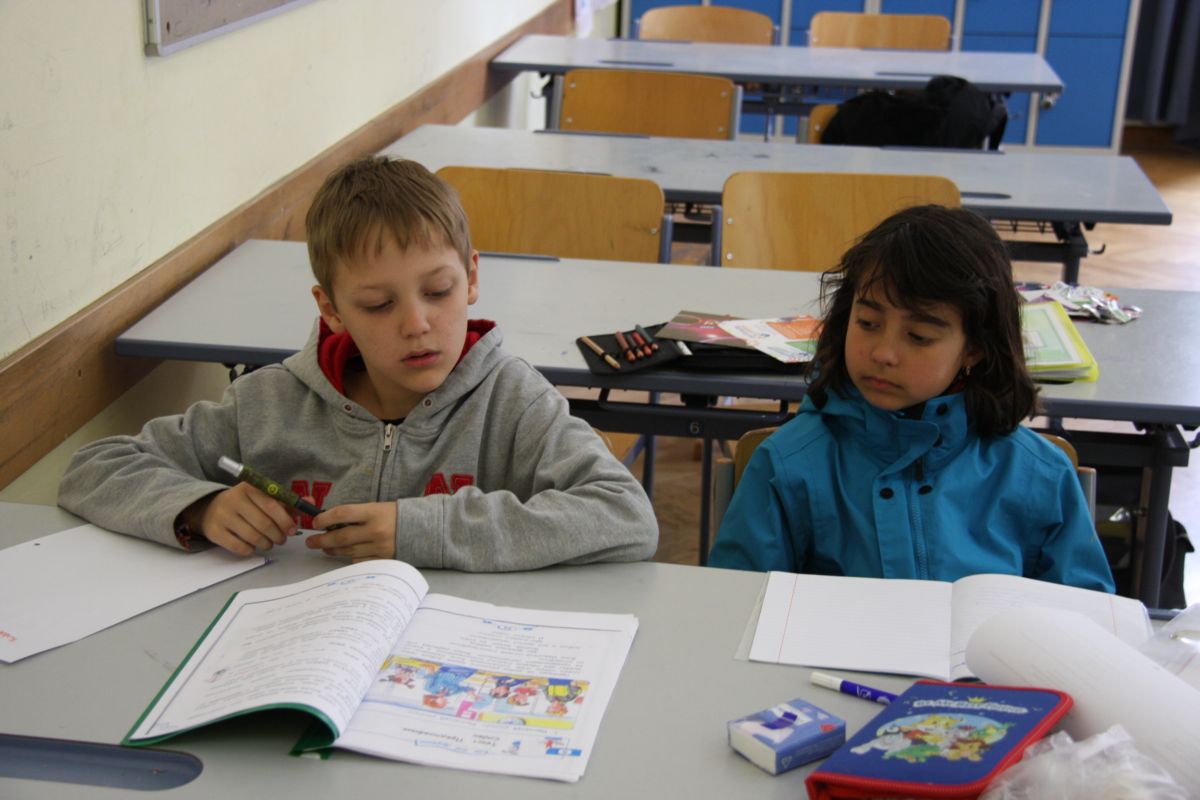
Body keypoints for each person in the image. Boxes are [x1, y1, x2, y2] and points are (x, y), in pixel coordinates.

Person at [58, 157, 658, 570]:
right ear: (332, 309)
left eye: (439, 291)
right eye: (377, 304)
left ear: (472, 276)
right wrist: (202, 506)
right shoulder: (268, 403)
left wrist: (424, 530)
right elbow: (94, 468)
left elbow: (625, 515)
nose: (417, 324)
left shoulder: (512, 402)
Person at [708, 205, 1114, 592]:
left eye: (918, 337)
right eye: (868, 323)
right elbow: (735, 605)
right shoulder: (788, 464)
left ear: (974, 348)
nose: (884, 353)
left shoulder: (1038, 474)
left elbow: (1087, 616)